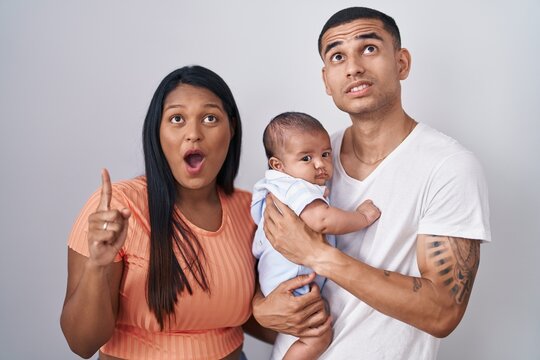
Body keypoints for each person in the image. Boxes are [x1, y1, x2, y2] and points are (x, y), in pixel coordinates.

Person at [252, 7, 491, 359]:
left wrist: (317, 254)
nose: (353, 67)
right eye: (337, 56)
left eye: (368, 48)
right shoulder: (307, 161)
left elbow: (443, 311)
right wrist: (260, 308)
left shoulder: (449, 167)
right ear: (326, 80)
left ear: (401, 63)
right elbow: (266, 254)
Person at [60, 65, 274, 359]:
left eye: (210, 118)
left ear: (232, 128)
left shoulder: (251, 209)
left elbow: (247, 316)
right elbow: (81, 344)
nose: (193, 134)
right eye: (177, 119)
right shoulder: (118, 207)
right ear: (157, 131)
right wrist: (97, 266)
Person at [251, 111, 380, 359]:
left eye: (325, 154)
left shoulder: (271, 186)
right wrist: (361, 217)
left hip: (275, 278)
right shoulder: (295, 187)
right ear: (279, 165)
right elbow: (322, 220)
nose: (320, 164)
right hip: (292, 281)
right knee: (318, 334)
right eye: (306, 158)